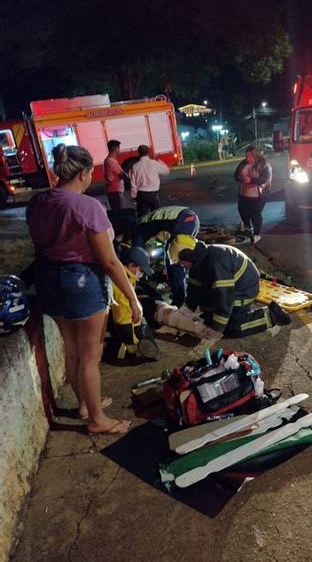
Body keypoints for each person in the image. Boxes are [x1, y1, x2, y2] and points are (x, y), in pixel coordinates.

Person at [26, 144, 143, 435]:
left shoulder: (38, 202)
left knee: (72, 350)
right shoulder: (87, 207)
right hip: (82, 282)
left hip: (49, 281)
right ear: (82, 173)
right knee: (91, 355)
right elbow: (109, 261)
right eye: (91, 172)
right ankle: (97, 420)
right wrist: (132, 298)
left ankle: (84, 405)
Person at [177, 239, 291, 338]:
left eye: (181, 262)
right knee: (207, 319)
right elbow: (194, 289)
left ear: (188, 257)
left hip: (244, 291)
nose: (180, 265)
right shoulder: (198, 261)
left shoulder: (216, 264)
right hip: (232, 287)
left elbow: (225, 298)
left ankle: (271, 316)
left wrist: (216, 328)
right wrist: (187, 310)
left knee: (230, 327)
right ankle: (218, 315)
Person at [132, 207, 200, 307]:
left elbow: (138, 253)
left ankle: (179, 298)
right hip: (191, 220)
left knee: (176, 261)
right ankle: (179, 294)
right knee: (177, 258)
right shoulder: (147, 224)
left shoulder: (138, 229)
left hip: (183, 220)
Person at [108, 246, 160, 360]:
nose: (142, 274)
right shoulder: (122, 281)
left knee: (149, 344)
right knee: (135, 351)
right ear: (132, 266)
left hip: (121, 316)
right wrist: (134, 339)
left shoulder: (127, 276)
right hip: (121, 320)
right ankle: (115, 351)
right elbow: (123, 314)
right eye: (141, 270)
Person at [234, 145, 272, 244]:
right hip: (243, 194)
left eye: (250, 156)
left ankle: (257, 234)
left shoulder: (263, 164)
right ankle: (247, 230)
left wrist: (251, 180)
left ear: (256, 156)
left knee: (255, 215)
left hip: (257, 195)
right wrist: (241, 178)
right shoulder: (243, 163)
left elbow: (266, 178)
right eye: (246, 156)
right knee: (243, 212)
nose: (248, 159)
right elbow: (236, 175)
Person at [130, 144, 170, 216]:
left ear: (138, 153)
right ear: (148, 152)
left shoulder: (135, 166)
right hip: (153, 194)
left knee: (142, 217)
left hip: (141, 195)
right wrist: (157, 159)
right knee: (156, 216)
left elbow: (133, 183)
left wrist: (134, 196)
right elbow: (166, 171)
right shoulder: (154, 163)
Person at [104, 140, 127, 210]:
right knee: (120, 213)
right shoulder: (111, 161)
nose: (120, 150)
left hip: (113, 191)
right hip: (115, 191)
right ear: (116, 149)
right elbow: (123, 175)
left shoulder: (109, 160)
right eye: (119, 148)